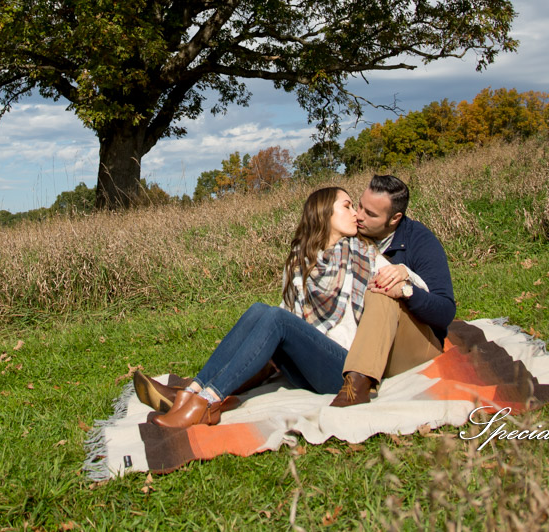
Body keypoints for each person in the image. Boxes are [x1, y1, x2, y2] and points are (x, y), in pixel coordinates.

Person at [136, 186, 376, 428]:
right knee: (259, 310)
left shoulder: (364, 254)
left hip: (346, 373)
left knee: (276, 318)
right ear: (323, 213)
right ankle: (191, 393)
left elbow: (403, 287)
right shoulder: (299, 260)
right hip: (304, 366)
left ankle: (207, 402)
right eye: (347, 206)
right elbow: (288, 313)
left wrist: (397, 274)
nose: (355, 213)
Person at [329, 174, 456, 407]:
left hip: (414, 345)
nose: (359, 216)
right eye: (359, 206)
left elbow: (445, 312)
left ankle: (355, 390)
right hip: (362, 341)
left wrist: (406, 291)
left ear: (395, 218)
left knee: (381, 289)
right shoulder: (350, 235)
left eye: (371, 214)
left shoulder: (419, 241)